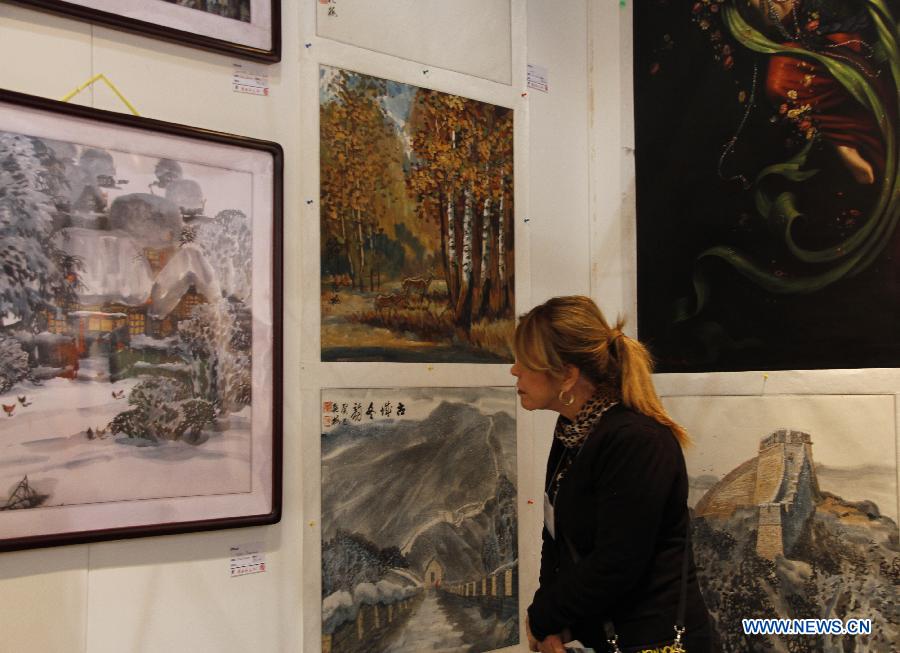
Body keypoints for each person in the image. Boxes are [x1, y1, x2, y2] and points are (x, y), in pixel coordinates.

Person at [511, 296, 712, 653]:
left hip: (652, 640)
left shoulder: (636, 441)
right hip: (606, 637)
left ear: (568, 375)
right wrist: (552, 624)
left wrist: (543, 616)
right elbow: (555, 538)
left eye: (526, 362)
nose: (514, 371)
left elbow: (617, 563)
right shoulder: (573, 431)